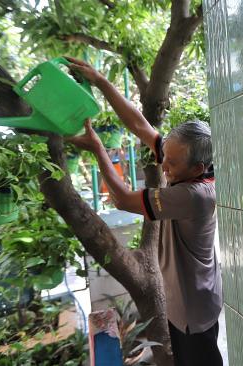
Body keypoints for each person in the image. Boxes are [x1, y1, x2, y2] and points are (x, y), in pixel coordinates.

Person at [66, 57, 223, 366]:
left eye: (171, 163)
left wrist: (99, 148)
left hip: (194, 309)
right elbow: (139, 125)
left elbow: (123, 199)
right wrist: (100, 80)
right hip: (185, 305)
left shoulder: (193, 194)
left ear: (197, 168)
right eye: (164, 155)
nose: (163, 165)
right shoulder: (187, 166)